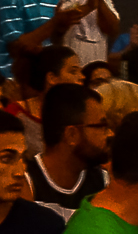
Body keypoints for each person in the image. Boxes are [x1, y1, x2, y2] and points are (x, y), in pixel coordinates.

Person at [25, 82, 111, 211]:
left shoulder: (102, 181)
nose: (109, 134)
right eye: (101, 126)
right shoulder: (27, 183)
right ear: (71, 135)